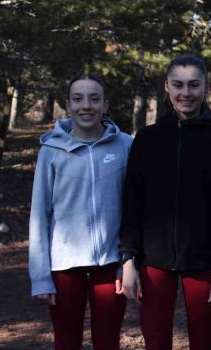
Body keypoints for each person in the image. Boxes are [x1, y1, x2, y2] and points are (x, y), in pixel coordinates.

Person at [120, 54, 211, 350]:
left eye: (194, 85)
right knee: (155, 341)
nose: (186, 93)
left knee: (203, 342)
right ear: (167, 87)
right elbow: (132, 203)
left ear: (206, 87)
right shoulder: (147, 139)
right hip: (152, 261)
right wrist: (128, 258)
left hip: (205, 263)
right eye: (178, 85)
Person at [29, 74, 132, 350]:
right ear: (68, 106)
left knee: (108, 341)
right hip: (64, 265)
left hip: (111, 263)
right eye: (78, 99)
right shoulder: (51, 150)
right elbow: (39, 214)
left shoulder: (125, 145)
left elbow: (133, 208)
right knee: (66, 341)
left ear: (105, 105)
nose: (86, 105)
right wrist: (40, 277)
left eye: (94, 99)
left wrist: (128, 261)